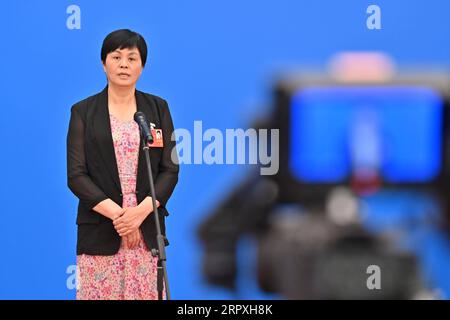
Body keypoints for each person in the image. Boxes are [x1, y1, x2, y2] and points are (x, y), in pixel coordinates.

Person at [66, 29, 179, 300]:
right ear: (103, 63)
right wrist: (121, 217)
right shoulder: (83, 112)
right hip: (101, 228)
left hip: (147, 230)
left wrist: (138, 215)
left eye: (132, 58)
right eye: (116, 57)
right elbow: (76, 175)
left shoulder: (157, 108)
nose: (124, 64)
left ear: (143, 65)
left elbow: (170, 170)